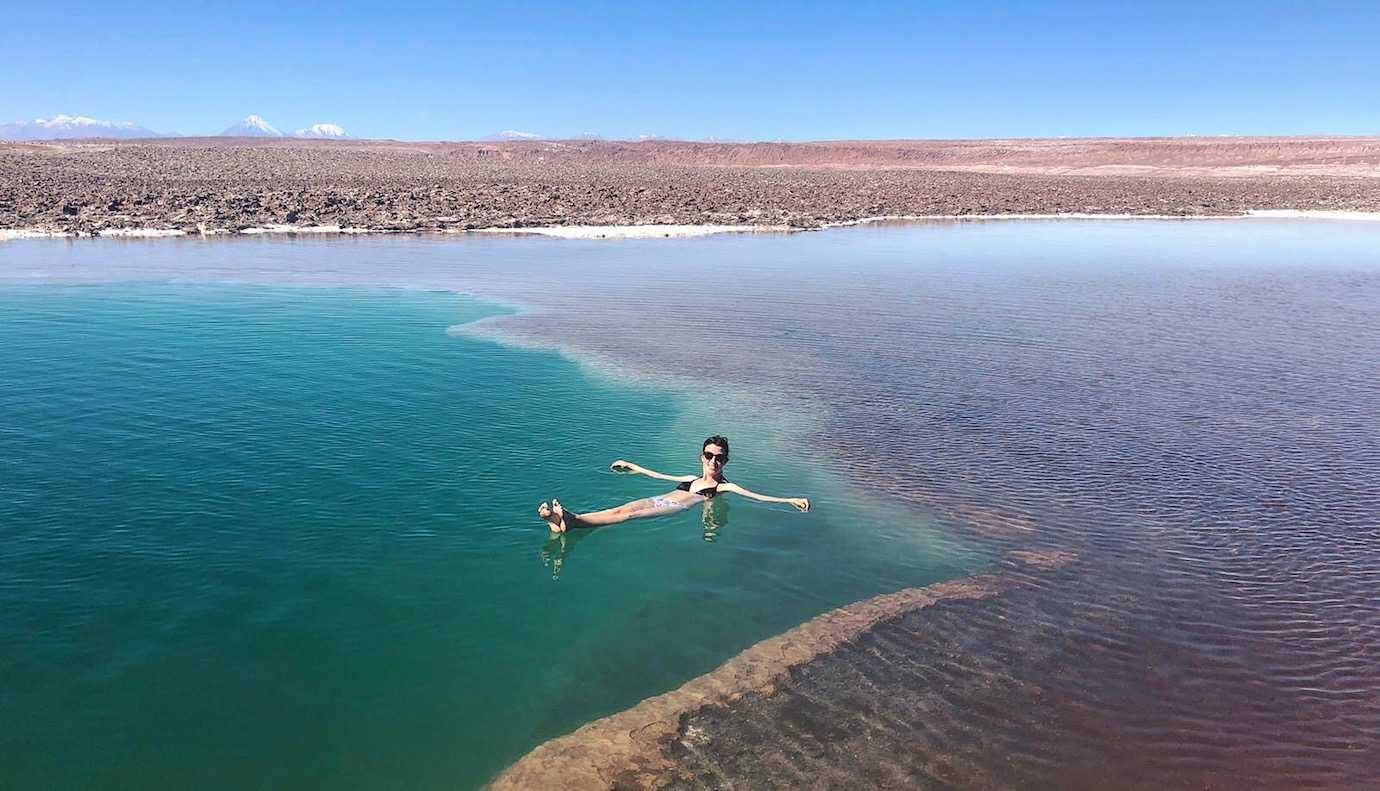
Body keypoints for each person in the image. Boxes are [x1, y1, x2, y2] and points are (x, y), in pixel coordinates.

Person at [537, 435, 810, 533]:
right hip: (659, 498)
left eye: (719, 458)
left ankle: (570, 520)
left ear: (726, 461)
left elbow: (756, 496)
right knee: (621, 508)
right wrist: (631, 466)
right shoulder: (690, 479)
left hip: (672, 509)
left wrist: (789, 500)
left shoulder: (723, 487)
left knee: (628, 515)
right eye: (709, 455)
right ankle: (566, 521)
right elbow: (658, 476)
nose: (713, 461)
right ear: (701, 457)